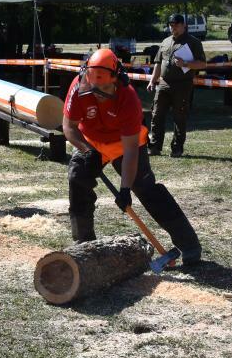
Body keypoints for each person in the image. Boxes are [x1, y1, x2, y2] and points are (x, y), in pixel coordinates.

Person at [63, 48, 201, 263]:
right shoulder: (78, 86)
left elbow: (129, 151)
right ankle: (84, 242)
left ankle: (188, 244)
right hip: (90, 140)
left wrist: (125, 188)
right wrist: (87, 151)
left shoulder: (128, 99)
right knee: (77, 178)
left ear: (116, 78)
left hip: (124, 143)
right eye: (94, 86)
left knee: (146, 189)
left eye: (105, 87)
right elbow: (69, 127)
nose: (98, 92)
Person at [147, 14, 206, 157]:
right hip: (164, 83)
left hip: (182, 85)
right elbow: (158, 63)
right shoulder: (165, 42)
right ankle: (155, 146)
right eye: (171, 25)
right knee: (156, 115)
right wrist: (152, 80)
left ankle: (177, 148)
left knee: (179, 117)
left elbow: (202, 64)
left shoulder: (193, 42)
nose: (173, 28)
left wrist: (185, 64)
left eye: (176, 25)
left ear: (183, 25)